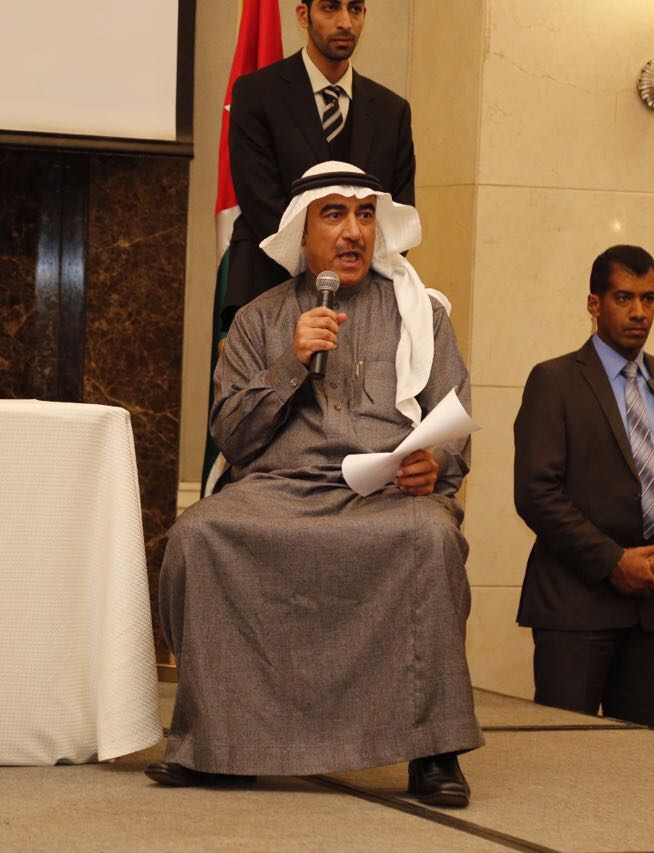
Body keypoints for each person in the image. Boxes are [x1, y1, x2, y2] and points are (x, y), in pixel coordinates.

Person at [146, 161, 482, 807]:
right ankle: (219, 744)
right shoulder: (258, 318)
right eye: (335, 215)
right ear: (303, 232)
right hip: (279, 490)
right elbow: (233, 437)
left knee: (432, 536)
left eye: (365, 215)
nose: (354, 231)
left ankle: (435, 751)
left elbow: (452, 417)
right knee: (200, 534)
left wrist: (434, 463)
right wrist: (290, 361)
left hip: (384, 496)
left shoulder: (422, 314)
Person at [512, 245, 654, 729]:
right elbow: (537, 494)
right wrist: (613, 562)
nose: (639, 312)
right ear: (594, 303)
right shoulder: (554, 381)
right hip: (575, 605)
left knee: (643, 759)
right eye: (624, 298)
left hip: (652, 604)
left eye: (648, 299)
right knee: (567, 752)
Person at [223, 0, 415, 326]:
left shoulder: (391, 111)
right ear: (304, 15)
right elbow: (260, 202)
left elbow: (398, 213)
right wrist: (322, 267)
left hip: (363, 303)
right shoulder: (257, 94)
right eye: (330, 8)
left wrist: (351, 276)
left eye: (355, 9)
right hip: (268, 288)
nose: (345, 22)